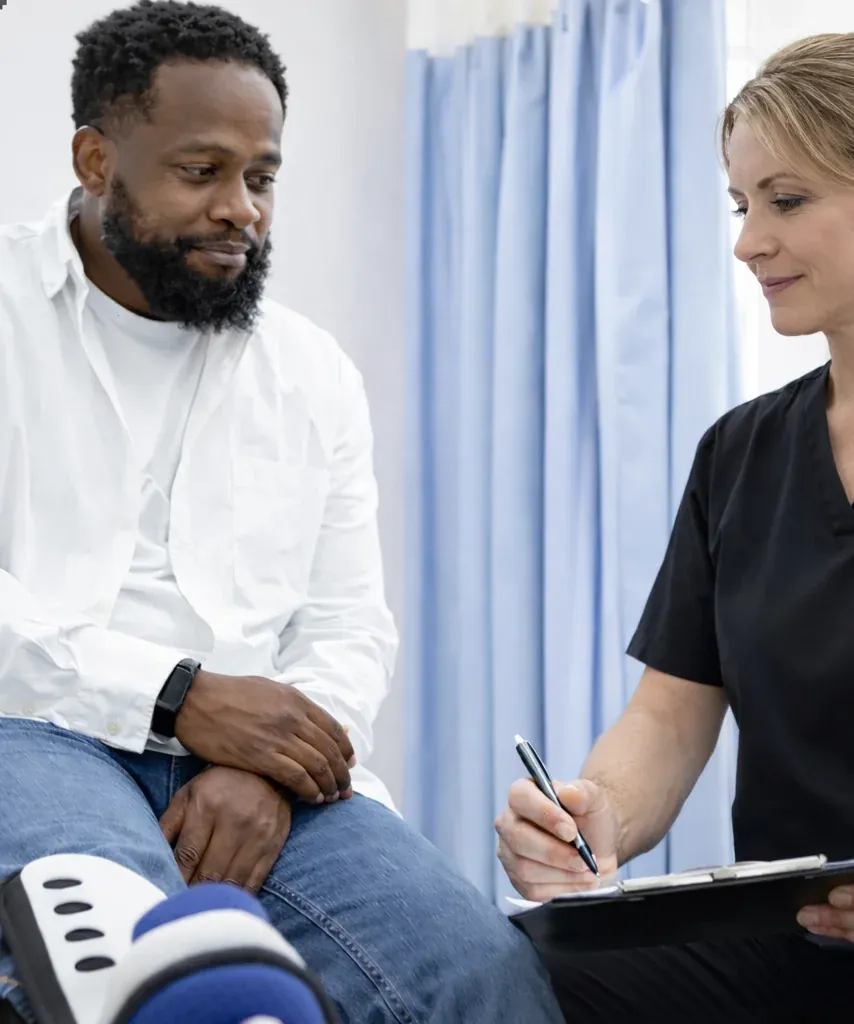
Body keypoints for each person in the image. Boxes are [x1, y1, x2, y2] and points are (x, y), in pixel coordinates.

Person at [0, 3, 565, 1022]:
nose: (241, 209)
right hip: (29, 728)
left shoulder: (310, 371)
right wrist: (175, 695)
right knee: (130, 966)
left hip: (256, 762)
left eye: (261, 177)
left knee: (481, 976)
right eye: (201, 171)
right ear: (94, 158)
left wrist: (277, 768)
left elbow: (350, 627)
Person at [495, 30, 854, 1023]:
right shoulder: (739, 454)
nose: (746, 242)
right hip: (792, 935)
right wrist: (595, 812)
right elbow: (667, 715)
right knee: (498, 970)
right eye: (742, 207)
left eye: (785, 201)